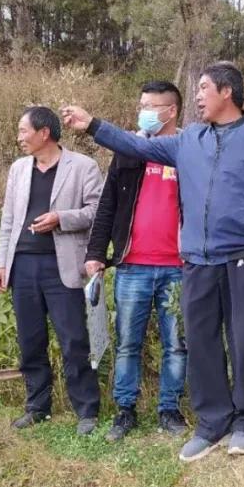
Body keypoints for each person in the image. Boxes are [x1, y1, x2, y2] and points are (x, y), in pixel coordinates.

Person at [62, 62, 244, 462]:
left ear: (227, 92)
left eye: (203, 88)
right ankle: (212, 423)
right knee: (201, 344)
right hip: (197, 261)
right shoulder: (188, 143)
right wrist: (93, 125)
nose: (198, 96)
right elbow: (137, 146)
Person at [84, 81, 188, 441]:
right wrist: (96, 254)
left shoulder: (188, 150)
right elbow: (106, 205)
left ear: (171, 111)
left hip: (179, 268)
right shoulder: (128, 151)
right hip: (132, 265)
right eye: (140, 103)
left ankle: (169, 409)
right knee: (128, 342)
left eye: (150, 105)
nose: (142, 110)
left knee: (177, 343)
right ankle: (125, 410)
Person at [0, 106, 104, 436]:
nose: (19, 137)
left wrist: (61, 218)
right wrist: (2, 263)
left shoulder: (83, 167)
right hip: (22, 265)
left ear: (44, 133)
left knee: (73, 340)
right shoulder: (18, 169)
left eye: (23, 131)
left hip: (62, 266)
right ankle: (37, 407)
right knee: (30, 340)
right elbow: (8, 220)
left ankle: (86, 409)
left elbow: (96, 212)